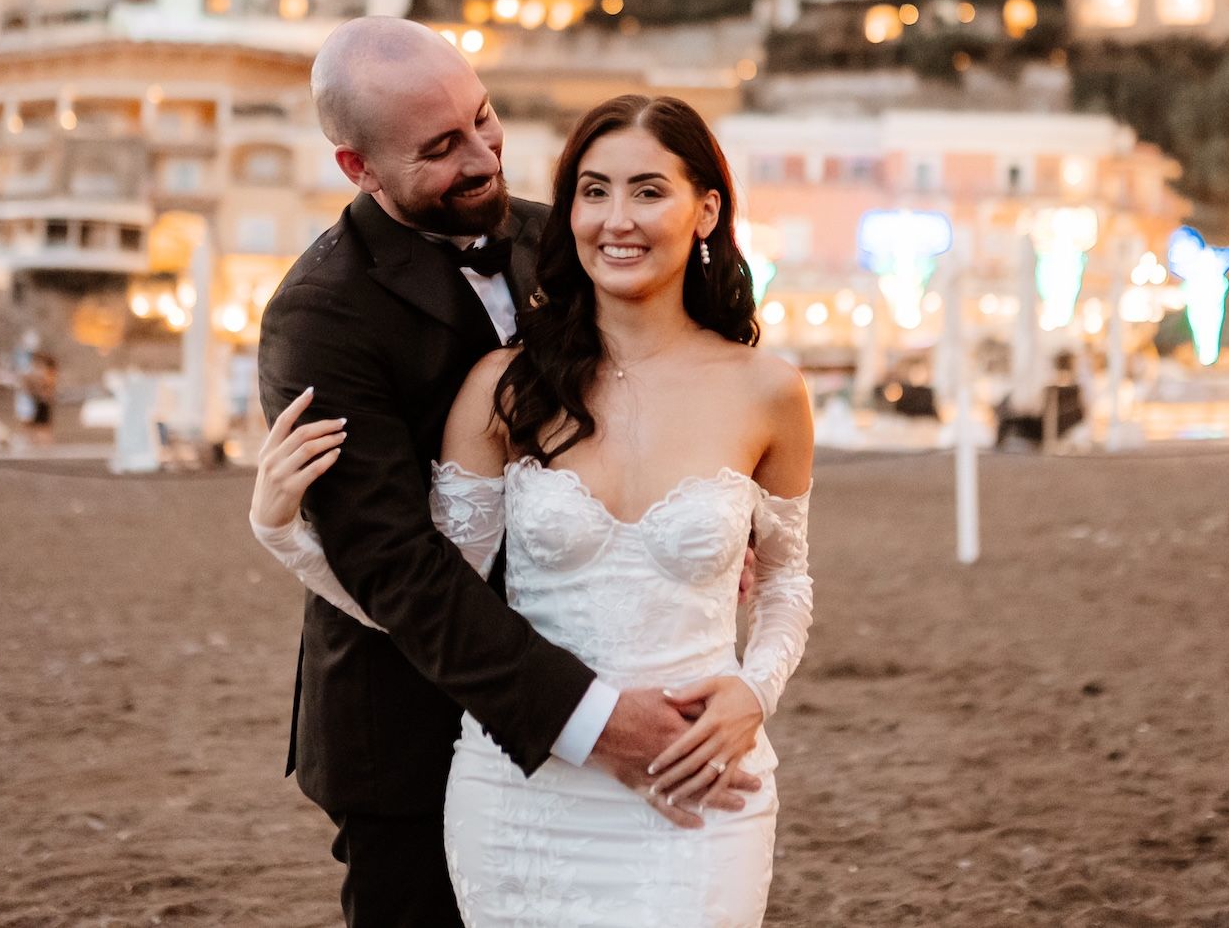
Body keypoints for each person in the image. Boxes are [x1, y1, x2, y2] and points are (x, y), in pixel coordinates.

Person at [255, 71, 814, 926]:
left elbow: (786, 576)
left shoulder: (752, 378)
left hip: (701, 771)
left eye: (484, 122)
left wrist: (751, 685)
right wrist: (283, 530)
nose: (482, 156)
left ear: (705, 209)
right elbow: (423, 577)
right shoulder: (332, 315)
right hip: (457, 745)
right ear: (359, 166)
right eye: (442, 147)